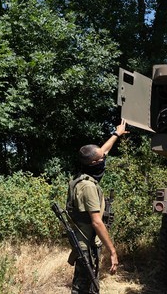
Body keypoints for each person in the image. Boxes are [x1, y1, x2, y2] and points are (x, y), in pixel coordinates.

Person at [66, 119, 128, 294]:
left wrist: (117, 133)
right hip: (86, 244)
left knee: (89, 285)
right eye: (102, 158)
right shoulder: (88, 186)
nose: (104, 158)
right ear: (94, 163)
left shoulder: (86, 172)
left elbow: (103, 151)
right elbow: (97, 222)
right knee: (83, 287)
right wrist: (113, 251)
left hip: (88, 242)